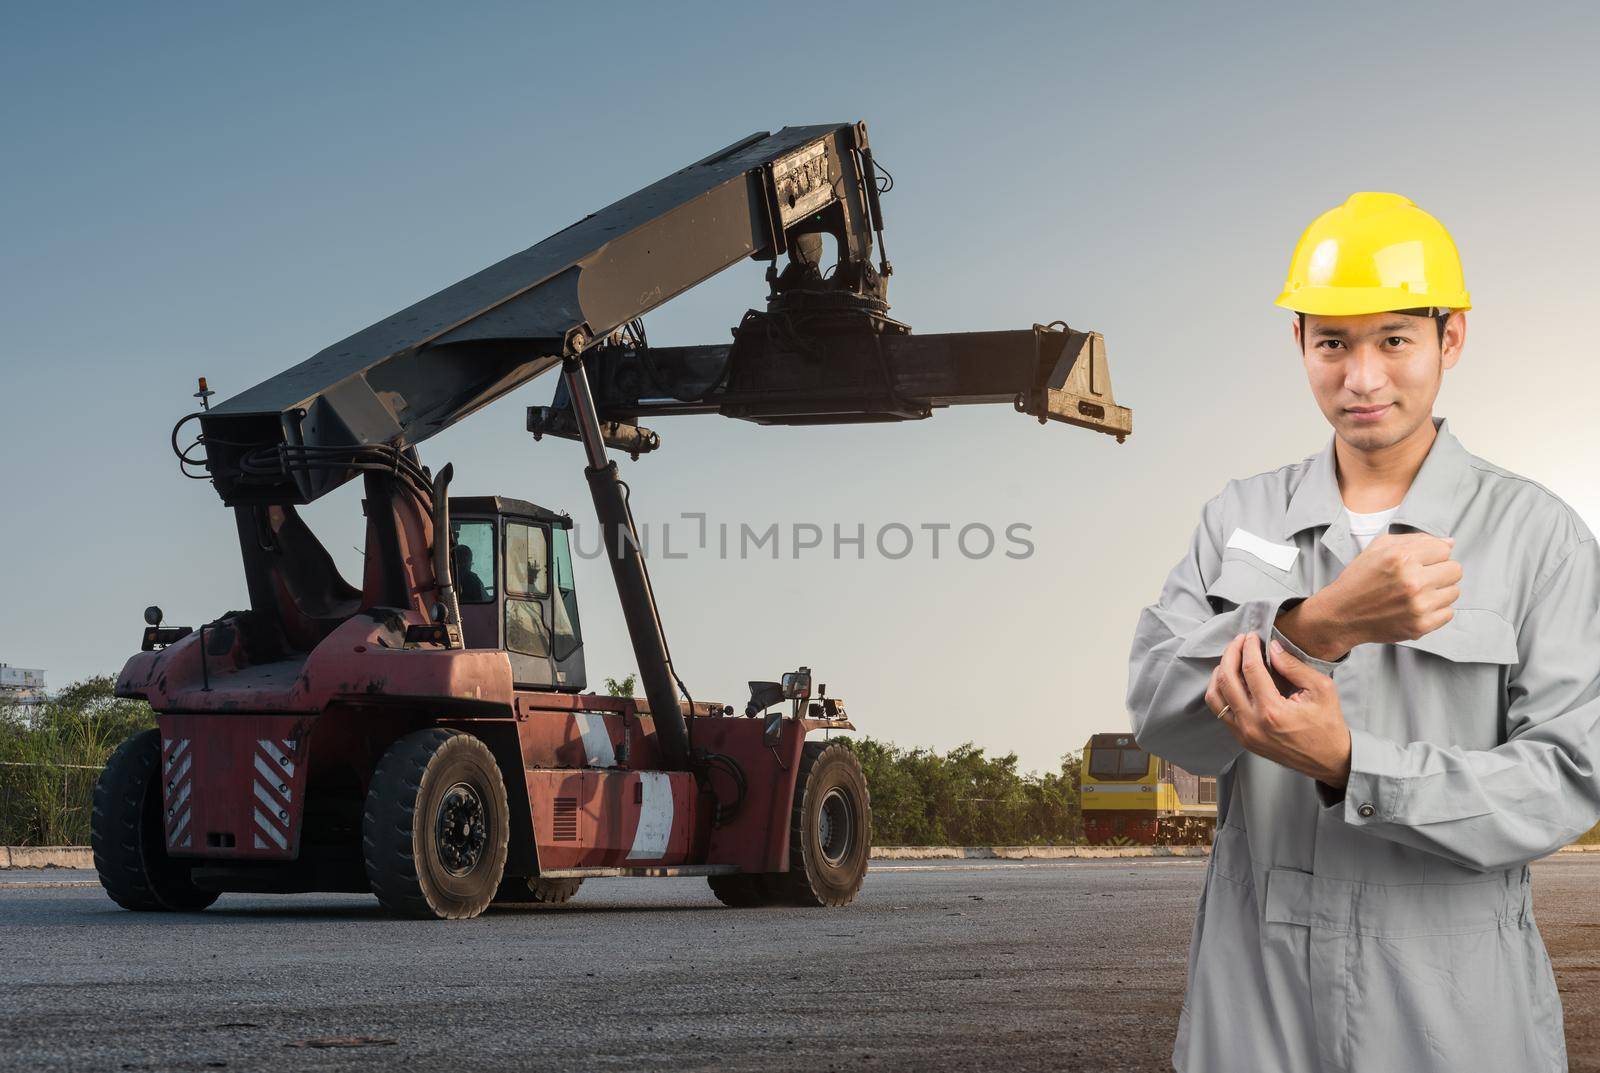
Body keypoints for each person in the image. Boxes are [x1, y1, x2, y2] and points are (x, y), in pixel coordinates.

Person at [1126, 191, 1600, 1072]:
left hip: (1451, 1008)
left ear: (1450, 338)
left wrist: (1356, 766)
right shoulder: (1240, 516)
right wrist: (1315, 623)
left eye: (1394, 339)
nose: (1363, 377)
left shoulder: (1539, 538)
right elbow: (1159, 709)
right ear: (1298, 342)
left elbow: (1569, 778)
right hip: (1255, 999)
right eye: (1333, 342)